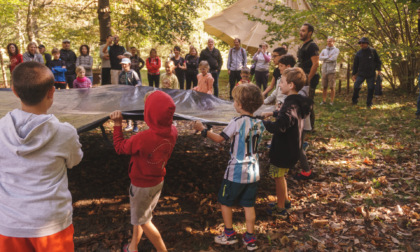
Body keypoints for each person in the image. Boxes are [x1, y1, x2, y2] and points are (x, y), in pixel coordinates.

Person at [0, 62, 83, 251]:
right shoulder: (65, 133)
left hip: (9, 224)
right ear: (52, 92)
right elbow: (75, 160)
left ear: (14, 91)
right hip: (51, 223)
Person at [193, 83, 265, 251]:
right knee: (249, 204)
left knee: (225, 202)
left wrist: (203, 130)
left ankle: (229, 234)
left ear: (239, 104)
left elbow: (219, 139)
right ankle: (250, 238)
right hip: (253, 171)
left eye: (234, 100)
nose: (234, 103)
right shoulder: (260, 124)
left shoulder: (237, 122)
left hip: (236, 171)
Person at [109, 90, 177, 252]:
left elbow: (120, 147)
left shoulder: (142, 138)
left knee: (143, 221)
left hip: (141, 186)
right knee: (141, 215)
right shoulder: (173, 131)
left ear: (149, 114)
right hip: (157, 182)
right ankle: (133, 247)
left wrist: (118, 124)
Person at [261, 67, 313, 218]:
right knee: (281, 176)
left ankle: (281, 208)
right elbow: (290, 116)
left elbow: (280, 126)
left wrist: (262, 124)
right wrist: (273, 113)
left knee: (278, 177)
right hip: (292, 147)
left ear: (291, 85)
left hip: (284, 149)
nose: (279, 85)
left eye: (282, 82)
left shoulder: (289, 104)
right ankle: (286, 201)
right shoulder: (296, 102)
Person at [297, 23, 319, 129]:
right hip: (301, 77)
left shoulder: (312, 46)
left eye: (303, 31)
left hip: (309, 78)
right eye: (300, 30)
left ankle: (310, 128)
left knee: (308, 103)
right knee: (301, 102)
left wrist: (308, 79)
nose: (301, 32)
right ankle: (303, 125)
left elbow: (315, 64)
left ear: (310, 33)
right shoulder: (303, 45)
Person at [351, 37, 382, 108]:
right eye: (360, 43)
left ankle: (369, 103)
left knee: (371, 88)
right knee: (356, 87)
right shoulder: (358, 53)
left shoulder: (373, 51)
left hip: (371, 74)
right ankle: (354, 101)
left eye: (363, 43)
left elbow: (378, 61)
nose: (361, 44)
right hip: (361, 74)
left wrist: (379, 70)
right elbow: (355, 65)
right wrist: (354, 74)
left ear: (367, 43)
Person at [319, 37, 339, 105]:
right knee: (324, 86)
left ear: (333, 42)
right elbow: (320, 58)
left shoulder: (336, 50)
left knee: (332, 87)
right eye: (327, 41)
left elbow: (333, 58)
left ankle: (331, 101)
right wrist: (327, 57)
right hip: (324, 70)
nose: (328, 43)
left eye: (330, 41)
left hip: (332, 71)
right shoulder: (324, 50)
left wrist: (325, 58)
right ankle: (324, 100)